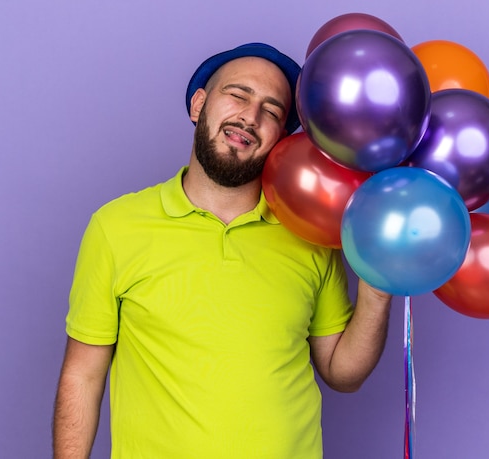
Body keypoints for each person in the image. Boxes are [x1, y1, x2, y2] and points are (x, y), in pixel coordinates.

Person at [52, 42, 392, 459]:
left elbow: (342, 374)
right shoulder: (115, 227)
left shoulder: (310, 237)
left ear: (281, 139)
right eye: (238, 95)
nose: (250, 117)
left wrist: (378, 286)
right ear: (199, 105)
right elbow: (82, 375)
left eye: (271, 111)